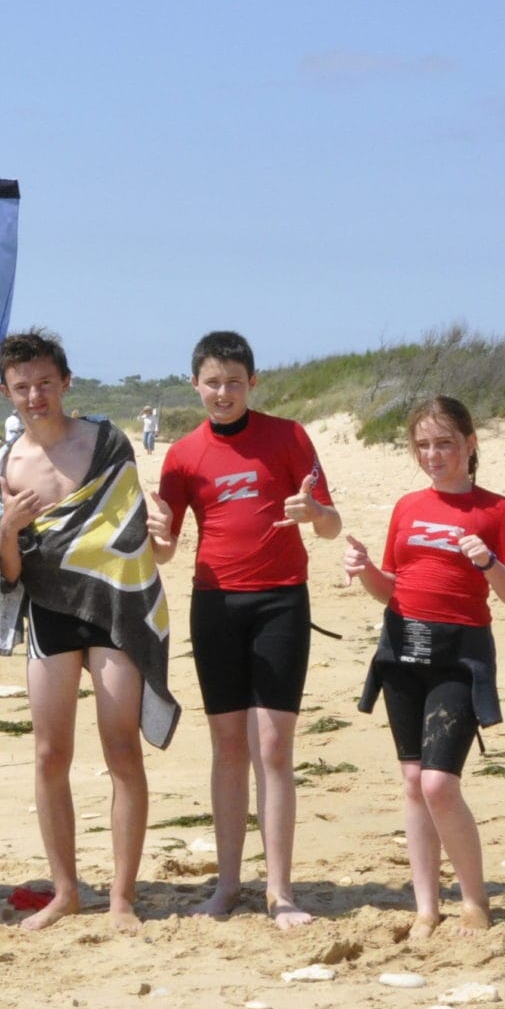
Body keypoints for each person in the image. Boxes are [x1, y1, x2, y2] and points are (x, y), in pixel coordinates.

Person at [0, 330, 179, 932]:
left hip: (114, 608)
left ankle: (121, 897)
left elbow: (134, 538)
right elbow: (4, 573)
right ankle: (66, 891)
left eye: (44, 382)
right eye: (21, 387)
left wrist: (161, 541)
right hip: (50, 615)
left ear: (65, 381)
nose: (34, 395)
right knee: (49, 753)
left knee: (121, 747)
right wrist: (9, 529)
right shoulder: (2, 468)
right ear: (7, 393)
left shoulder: (110, 444)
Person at [150, 330, 341, 929]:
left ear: (252, 383)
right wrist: (153, 533)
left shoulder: (288, 436)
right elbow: (164, 552)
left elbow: (332, 527)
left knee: (275, 748)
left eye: (235, 382)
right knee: (228, 749)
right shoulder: (182, 455)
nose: (224, 392)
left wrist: (314, 514)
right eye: (213, 382)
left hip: (281, 603)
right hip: (215, 605)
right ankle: (228, 885)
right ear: (195, 385)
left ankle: (280, 891)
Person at [343, 396, 505, 940]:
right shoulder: (407, 506)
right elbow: (392, 589)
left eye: (444, 442)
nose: (433, 454)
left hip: (459, 654)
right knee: (411, 781)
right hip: (401, 648)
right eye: (422, 445)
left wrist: (487, 562)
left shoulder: (495, 510)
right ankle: (426, 906)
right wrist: (366, 569)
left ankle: (475, 900)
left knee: (440, 783)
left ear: (470, 444)